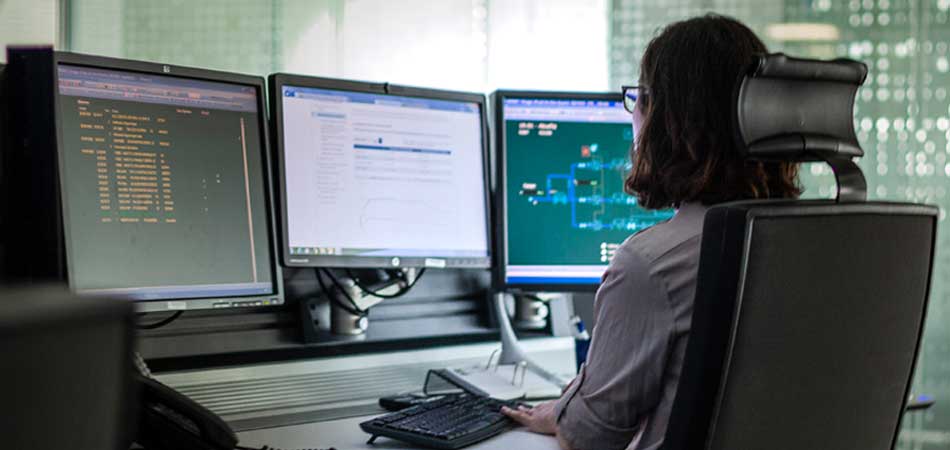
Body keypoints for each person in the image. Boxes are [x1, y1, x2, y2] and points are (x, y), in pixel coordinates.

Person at [501, 14, 802, 450]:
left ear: (665, 121)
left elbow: (588, 437)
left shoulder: (652, 265)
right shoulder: (818, 242)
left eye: (639, 99)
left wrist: (568, 413)